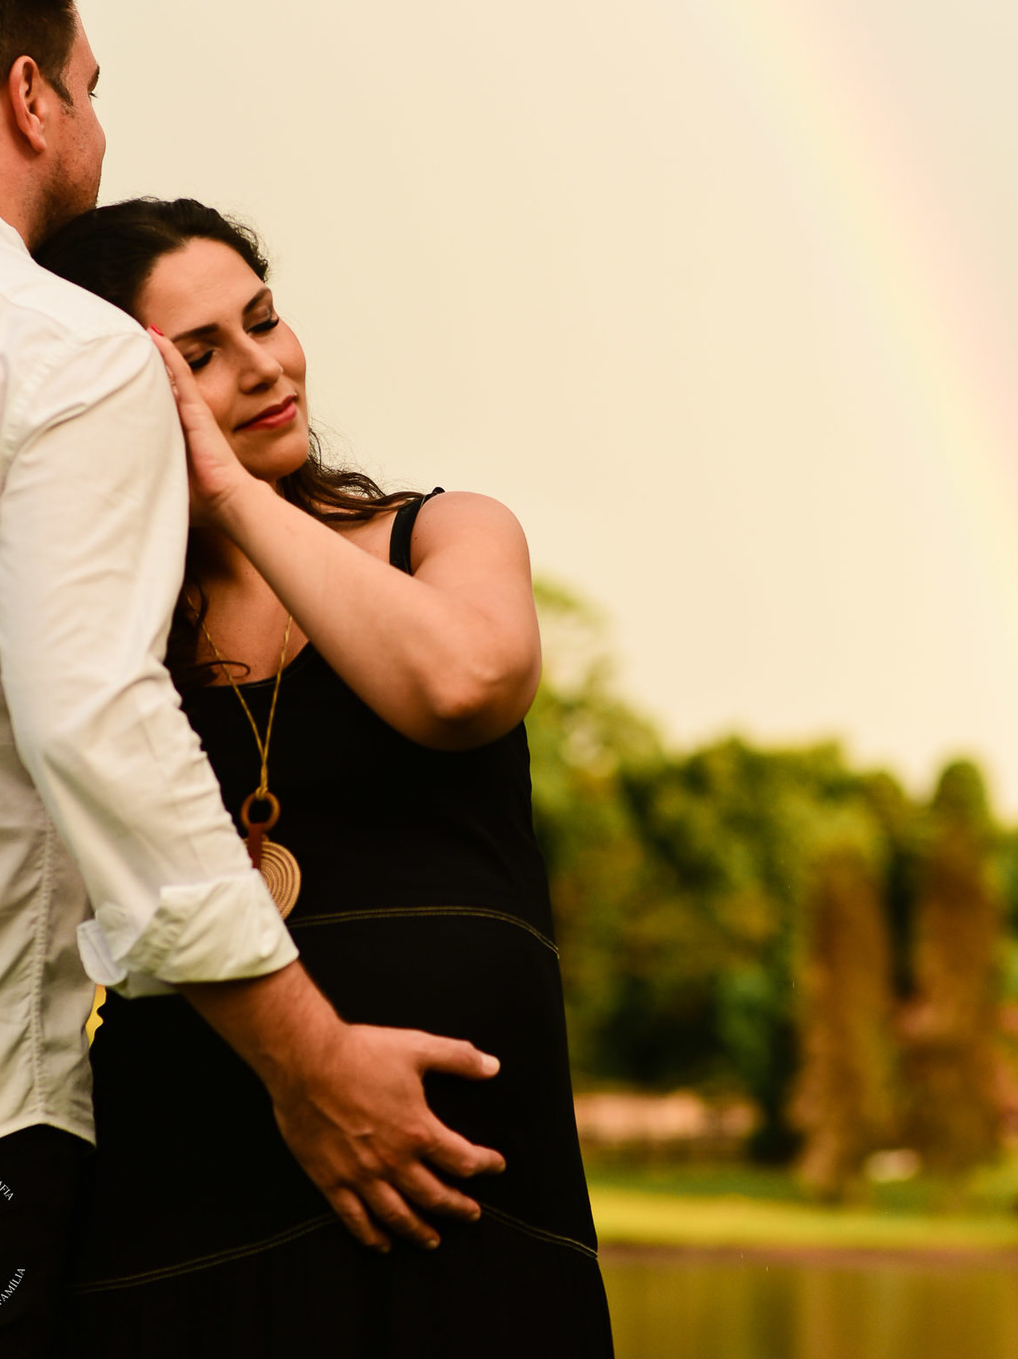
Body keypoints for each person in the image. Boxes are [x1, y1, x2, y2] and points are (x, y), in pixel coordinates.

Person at [0, 0, 503, 1358]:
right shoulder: (56, 349)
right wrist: (307, 1059)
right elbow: (92, 715)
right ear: (30, 97)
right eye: (89, 87)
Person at [36, 197, 616, 1358]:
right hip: (194, 1208)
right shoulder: (98, 623)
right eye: (201, 355)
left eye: (263, 320)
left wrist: (235, 497)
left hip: (472, 1204)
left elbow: (463, 684)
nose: (262, 366)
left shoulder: (445, 533)